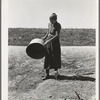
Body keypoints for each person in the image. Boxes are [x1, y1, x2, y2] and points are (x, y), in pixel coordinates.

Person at [42, 13, 61, 80]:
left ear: (55, 19)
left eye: (51, 20)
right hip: (48, 42)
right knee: (47, 57)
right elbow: (48, 31)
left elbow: (57, 35)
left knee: (55, 57)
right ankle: (47, 74)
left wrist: (49, 41)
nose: (50, 21)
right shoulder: (49, 24)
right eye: (49, 20)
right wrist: (45, 37)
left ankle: (56, 74)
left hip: (55, 43)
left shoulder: (58, 25)